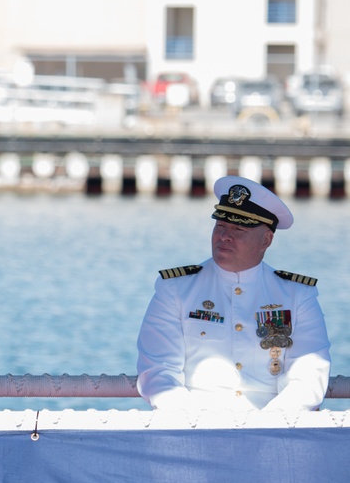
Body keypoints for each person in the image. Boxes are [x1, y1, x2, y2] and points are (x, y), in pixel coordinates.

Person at [136, 176, 331, 412]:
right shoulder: (175, 289)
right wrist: (196, 425)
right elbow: (158, 372)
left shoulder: (298, 295)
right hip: (193, 428)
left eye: (238, 229)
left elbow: (308, 376)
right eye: (220, 225)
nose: (224, 236)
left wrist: (268, 427)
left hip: (273, 431)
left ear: (266, 239)